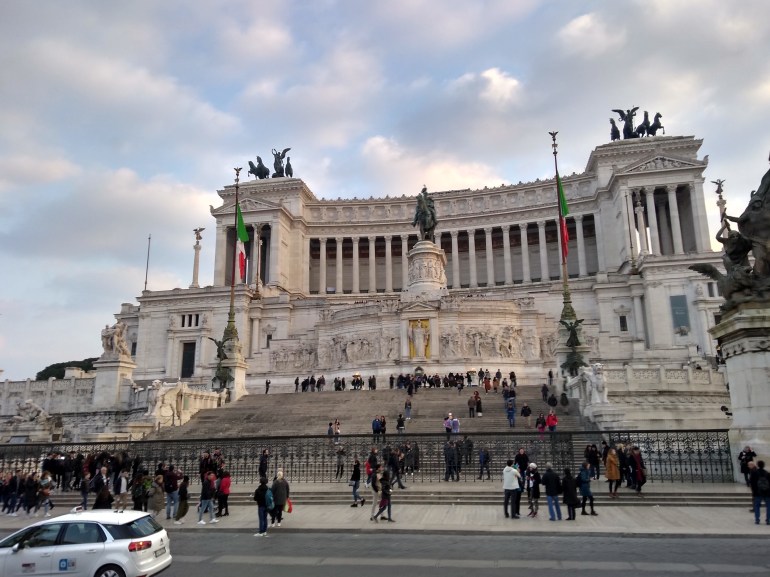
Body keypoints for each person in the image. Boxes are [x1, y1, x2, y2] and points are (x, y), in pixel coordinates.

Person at [750, 460, 770, 525]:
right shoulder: (767, 473)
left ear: (757, 465)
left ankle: (757, 520)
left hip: (757, 492)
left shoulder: (754, 473)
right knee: (768, 507)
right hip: (767, 492)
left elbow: (752, 483)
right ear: (763, 465)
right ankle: (768, 520)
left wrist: (753, 491)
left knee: (757, 506)